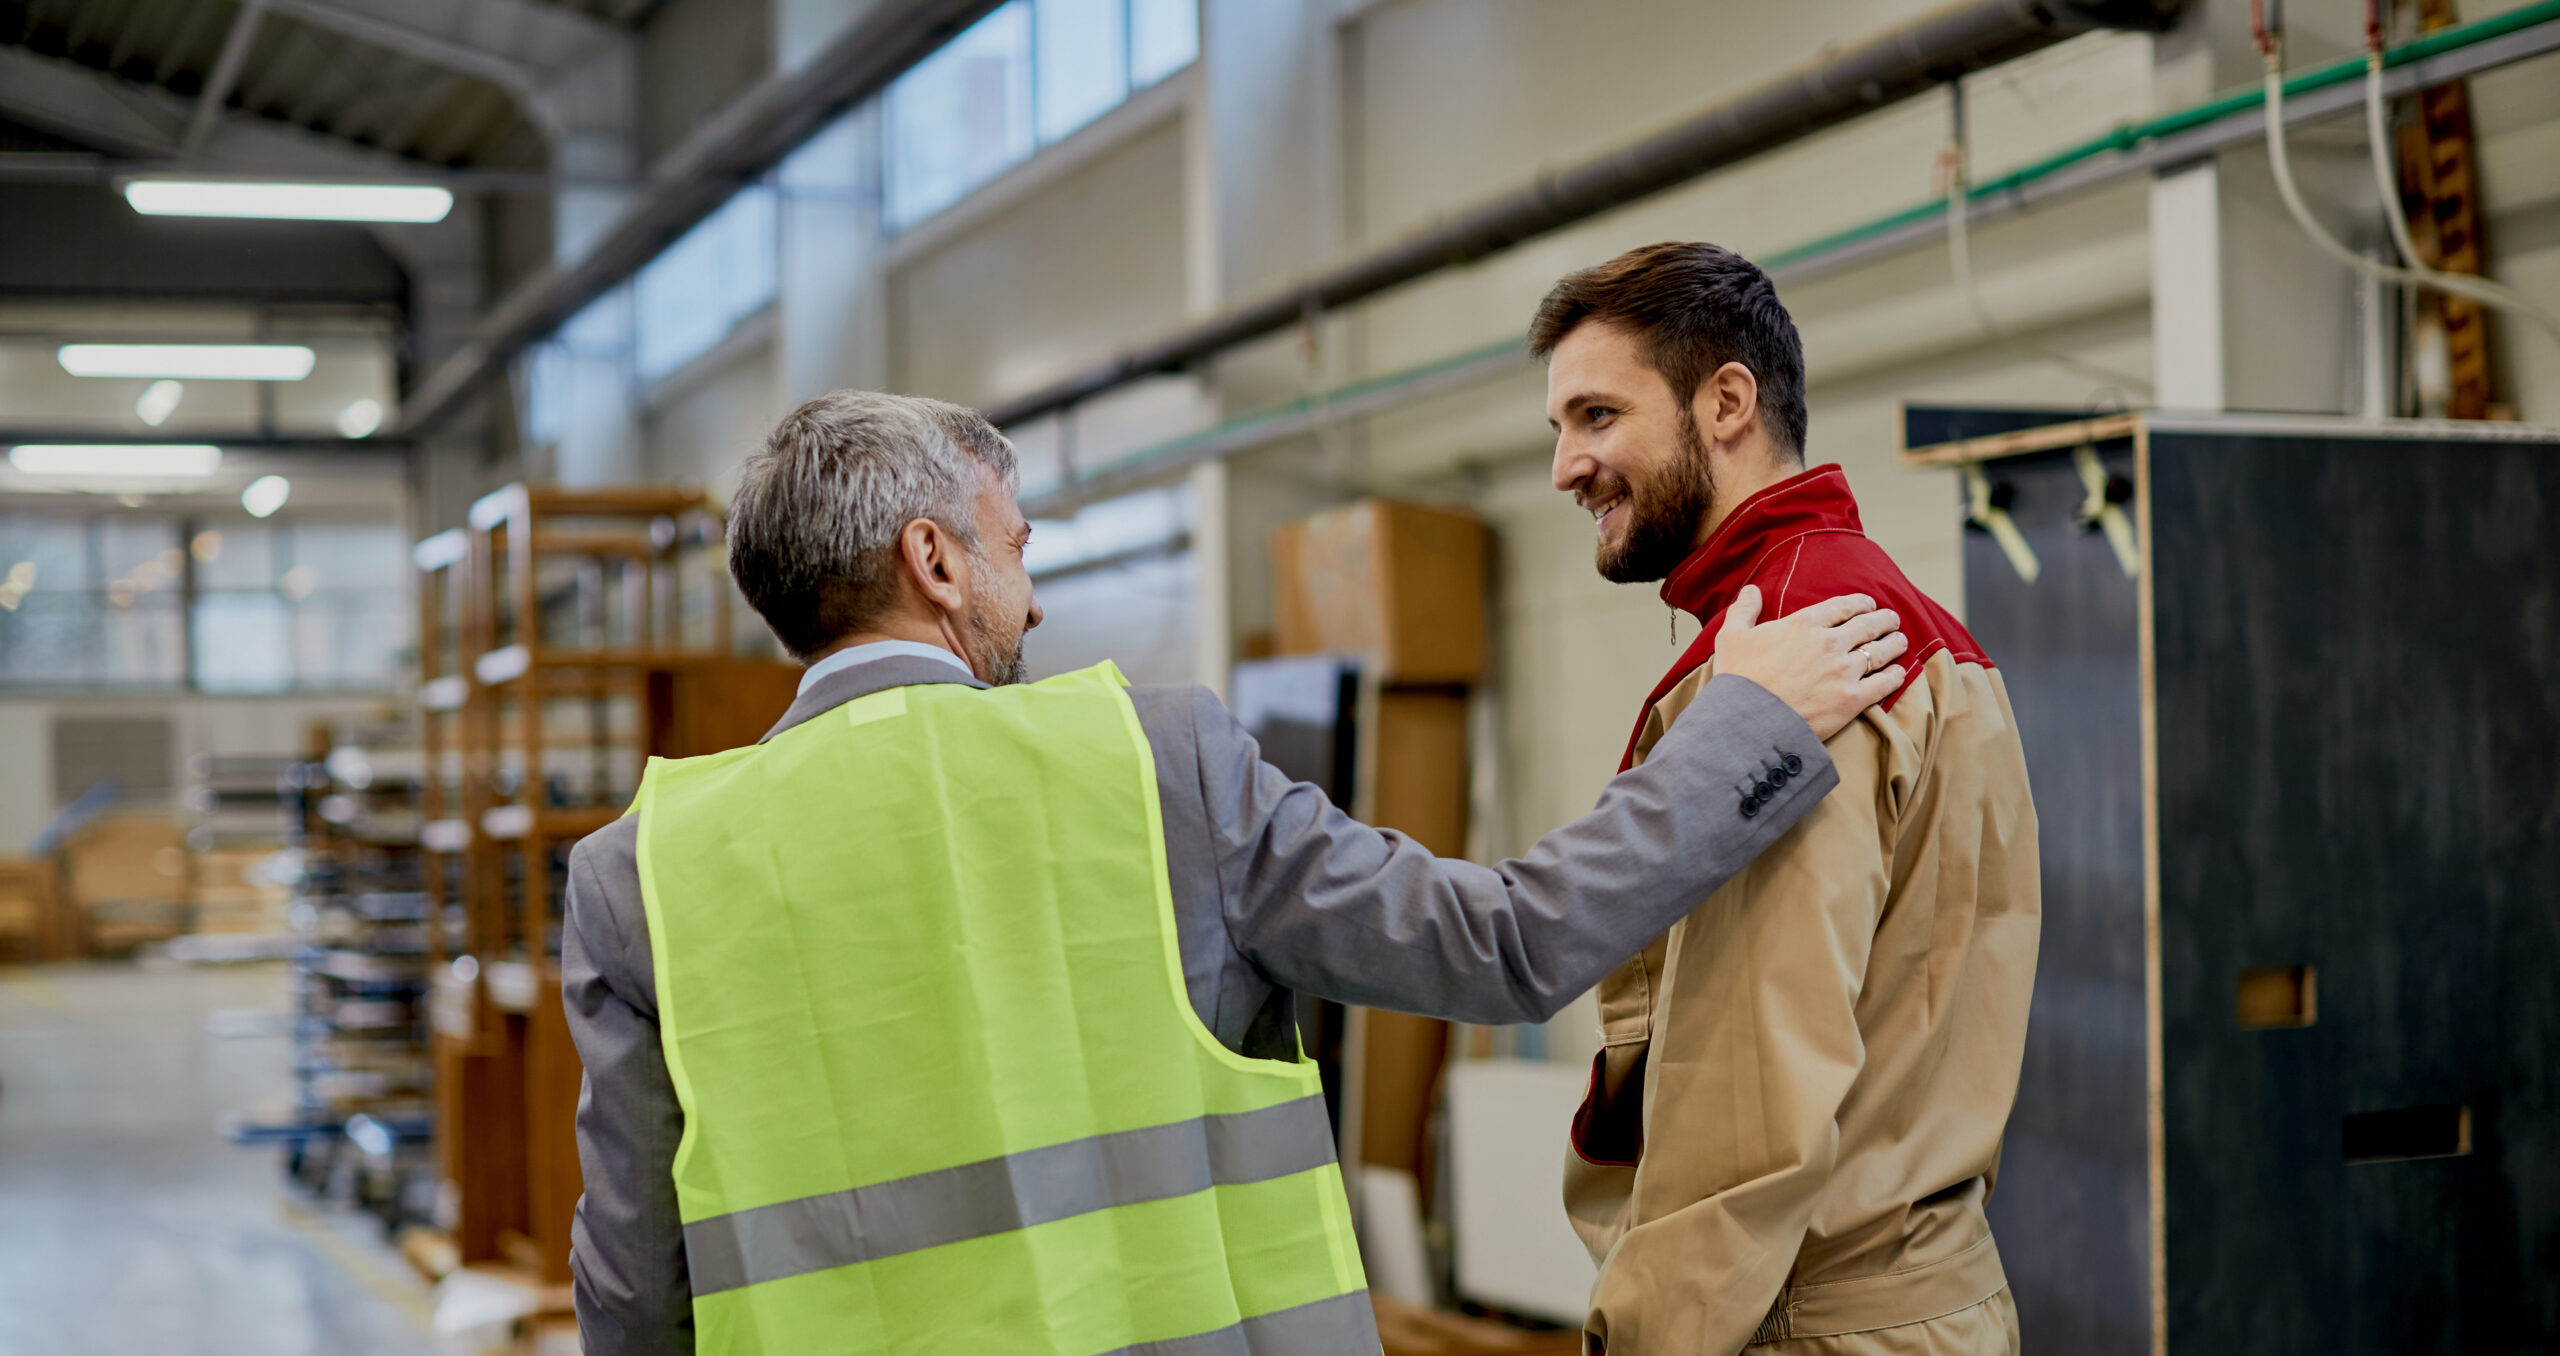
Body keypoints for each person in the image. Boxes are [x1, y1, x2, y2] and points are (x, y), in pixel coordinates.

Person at [563, 390, 1911, 1356]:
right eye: (1018, 549)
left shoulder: (644, 873)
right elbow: (1505, 945)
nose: (1031, 603)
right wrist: (1748, 727)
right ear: (934, 559)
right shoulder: (1153, 765)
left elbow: (633, 1299)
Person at [1533, 242, 2040, 1356]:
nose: (1567, 467)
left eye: (1597, 416)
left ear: (1725, 403)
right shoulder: (1910, 626)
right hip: (1930, 1302)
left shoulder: (1787, 665)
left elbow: (1744, 1089)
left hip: (1803, 1321)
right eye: (1559, 430)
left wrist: (1643, 1337)